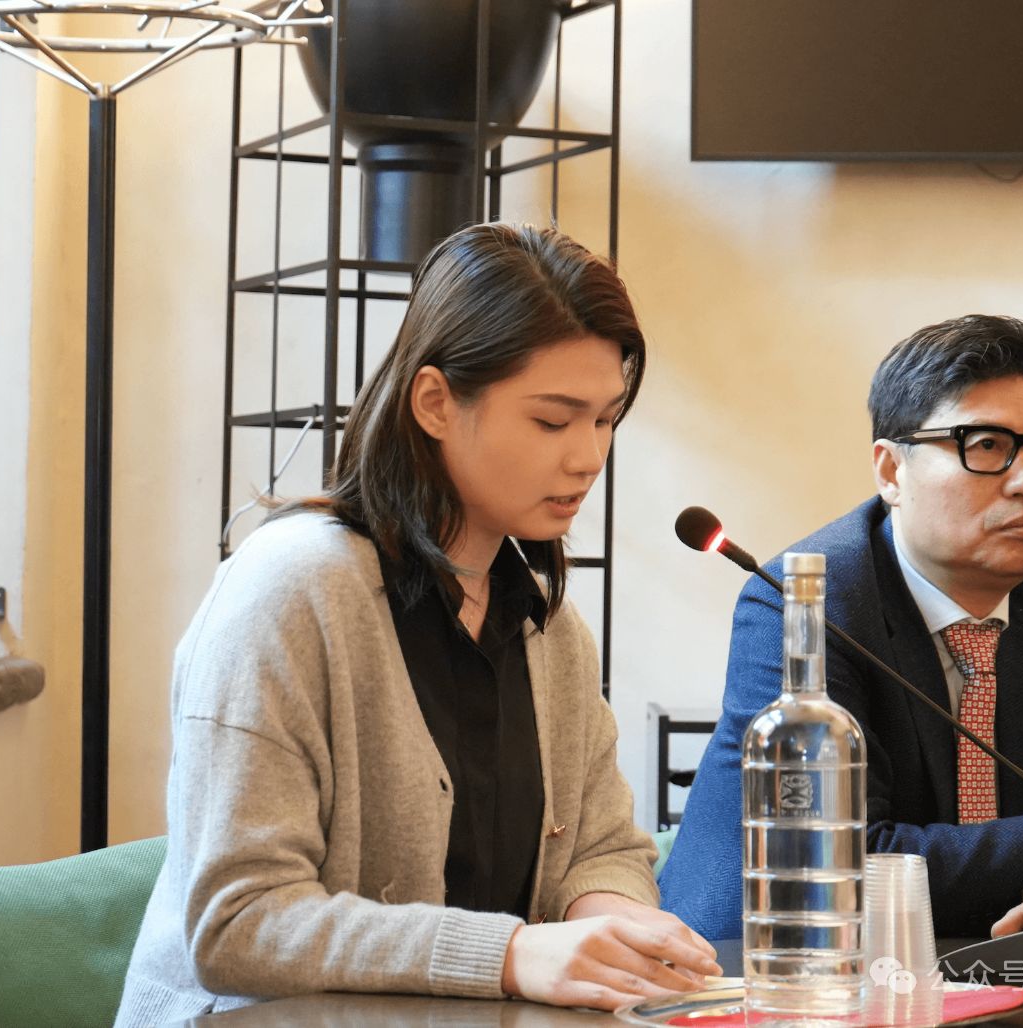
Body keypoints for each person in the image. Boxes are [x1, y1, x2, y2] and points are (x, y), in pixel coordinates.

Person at [115, 223, 720, 1025]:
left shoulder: (550, 632)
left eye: (606, 420)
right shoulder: (288, 592)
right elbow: (239, 923)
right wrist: (510, 954)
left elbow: (603, 847)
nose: (588, 457)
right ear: (435, 402)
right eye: (553, 420)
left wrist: (612, 923)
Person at [659, 314, 1023, 941]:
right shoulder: (807, 602)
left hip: (1006, 974)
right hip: (764, 966)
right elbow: (826, 870)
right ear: (891, 472)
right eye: (985, 445)